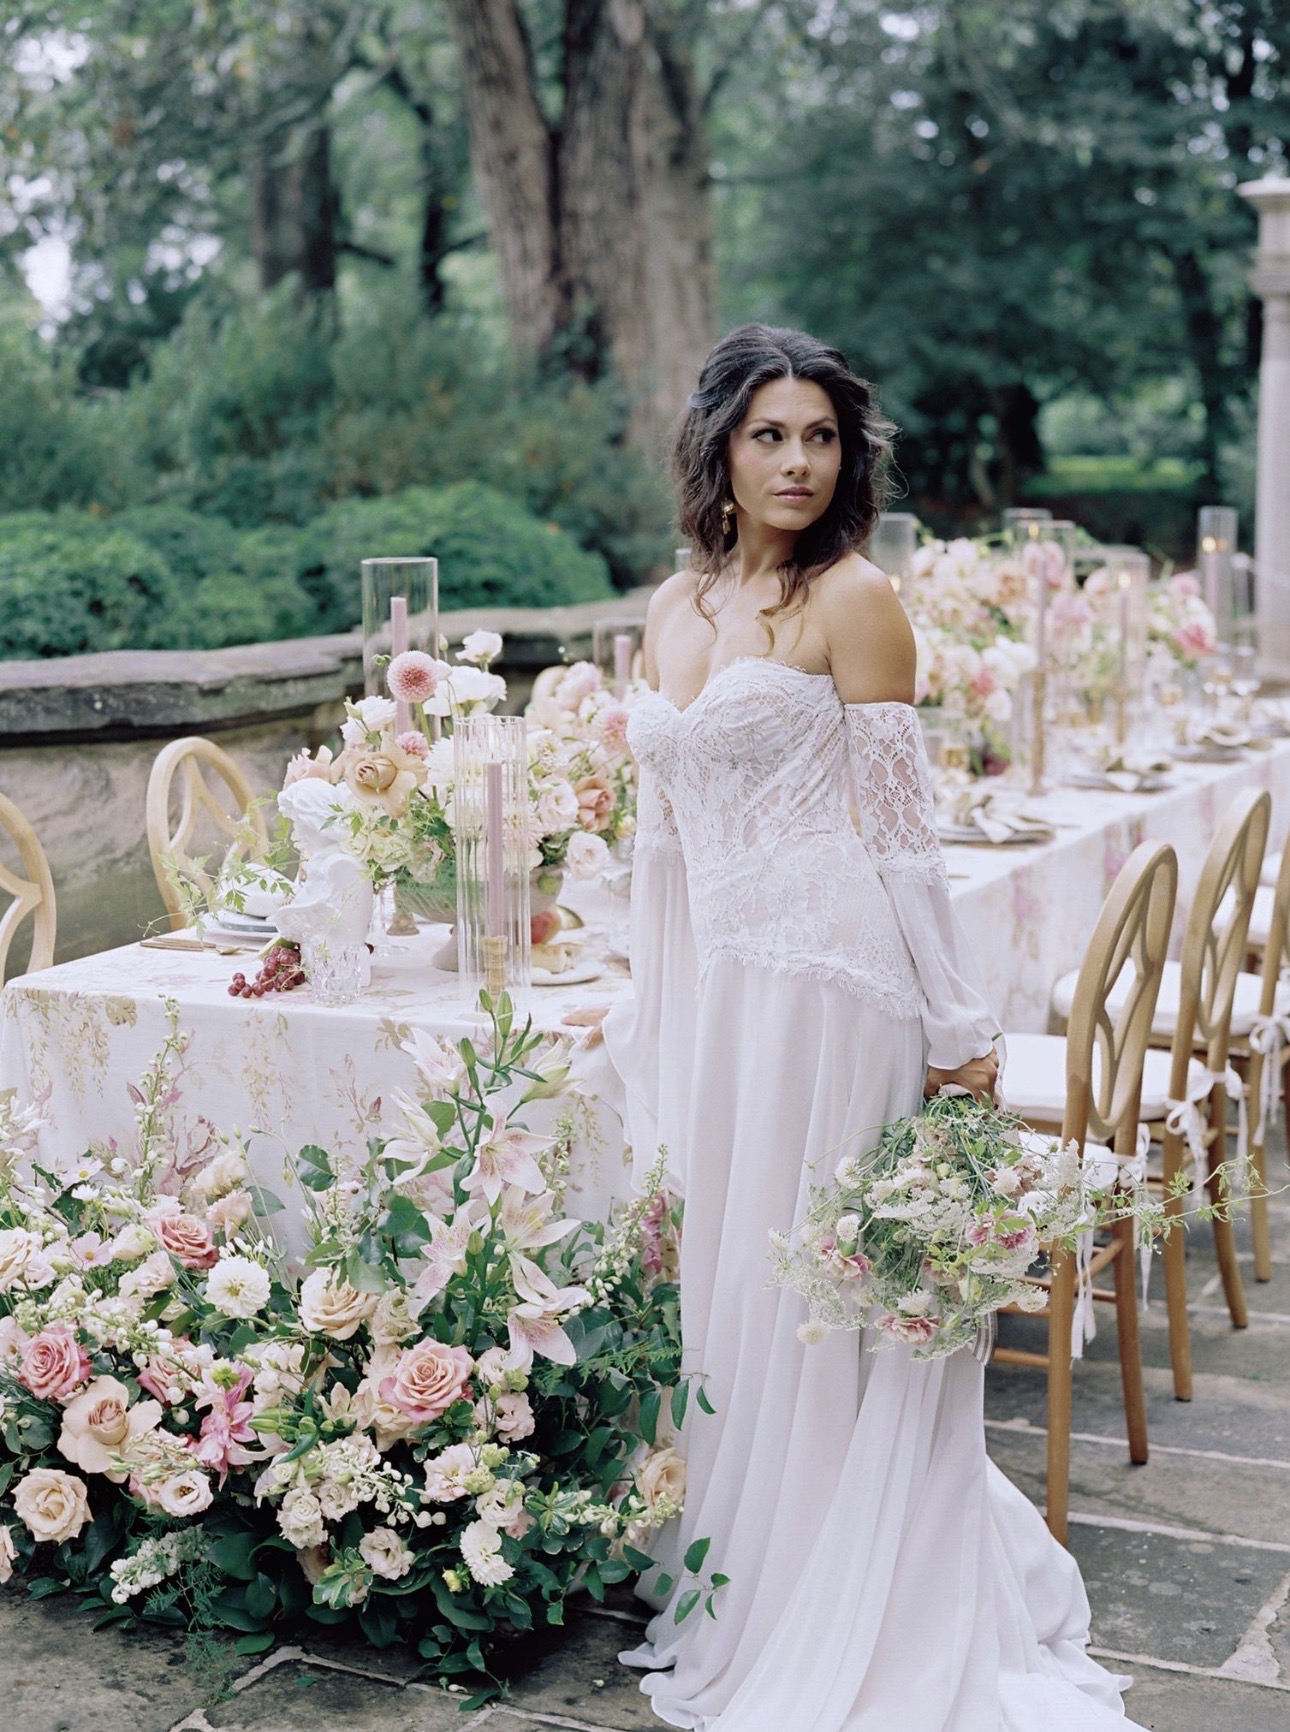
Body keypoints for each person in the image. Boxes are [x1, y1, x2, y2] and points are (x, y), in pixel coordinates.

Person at [580, 325, 1142, 1730]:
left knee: (819, 1292)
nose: (794, 461)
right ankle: (739, 1560)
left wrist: (959, 1030)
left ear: (847, 457)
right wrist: (653, 996)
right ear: (717, 443)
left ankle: (837, 1585)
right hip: (725, 995)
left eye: (818, 437)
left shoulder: (857, 599)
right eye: (769, 434)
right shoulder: (677, 604)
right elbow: (666, 835)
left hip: (839, 992)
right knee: (732, 1277)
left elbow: (902, 843)